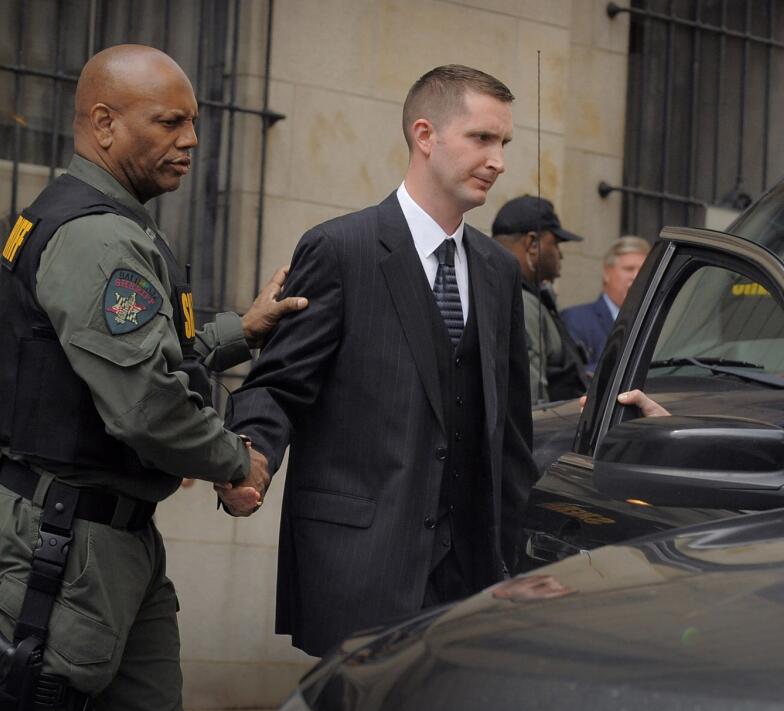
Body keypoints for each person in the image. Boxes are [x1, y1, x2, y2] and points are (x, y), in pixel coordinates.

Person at [0, 45, 305, 711]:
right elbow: (145, 404)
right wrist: (234, 459)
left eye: (194, 123)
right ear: (105, 124)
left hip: (109, 540)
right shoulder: (98, 238)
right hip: (63, 542)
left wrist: (244, 328)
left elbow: (145, 357)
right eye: (170, 122)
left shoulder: (106, 222)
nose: (192, 141)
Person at [221, 64, 538, 656]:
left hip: (470, 578)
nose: (499, 161)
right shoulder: (341, 250)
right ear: (425, 135)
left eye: (504, 143)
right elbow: (282, 384)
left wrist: (519, 558)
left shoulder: (498, 271)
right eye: (483, 138)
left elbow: (511, 433)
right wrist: (251, 455)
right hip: (362, 564)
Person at [491, 195, 589, 403]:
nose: (560, 255)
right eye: (556, 244)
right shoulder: (521, 303)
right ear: (533, 243)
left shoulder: (499, 289)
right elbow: (531, 401)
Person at [562, 235, 650, 373]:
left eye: (643, 270)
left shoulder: (652, 323)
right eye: (629, 269)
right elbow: (572, 375)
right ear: (606, 273)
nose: (636, 276)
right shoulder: (576, 319)